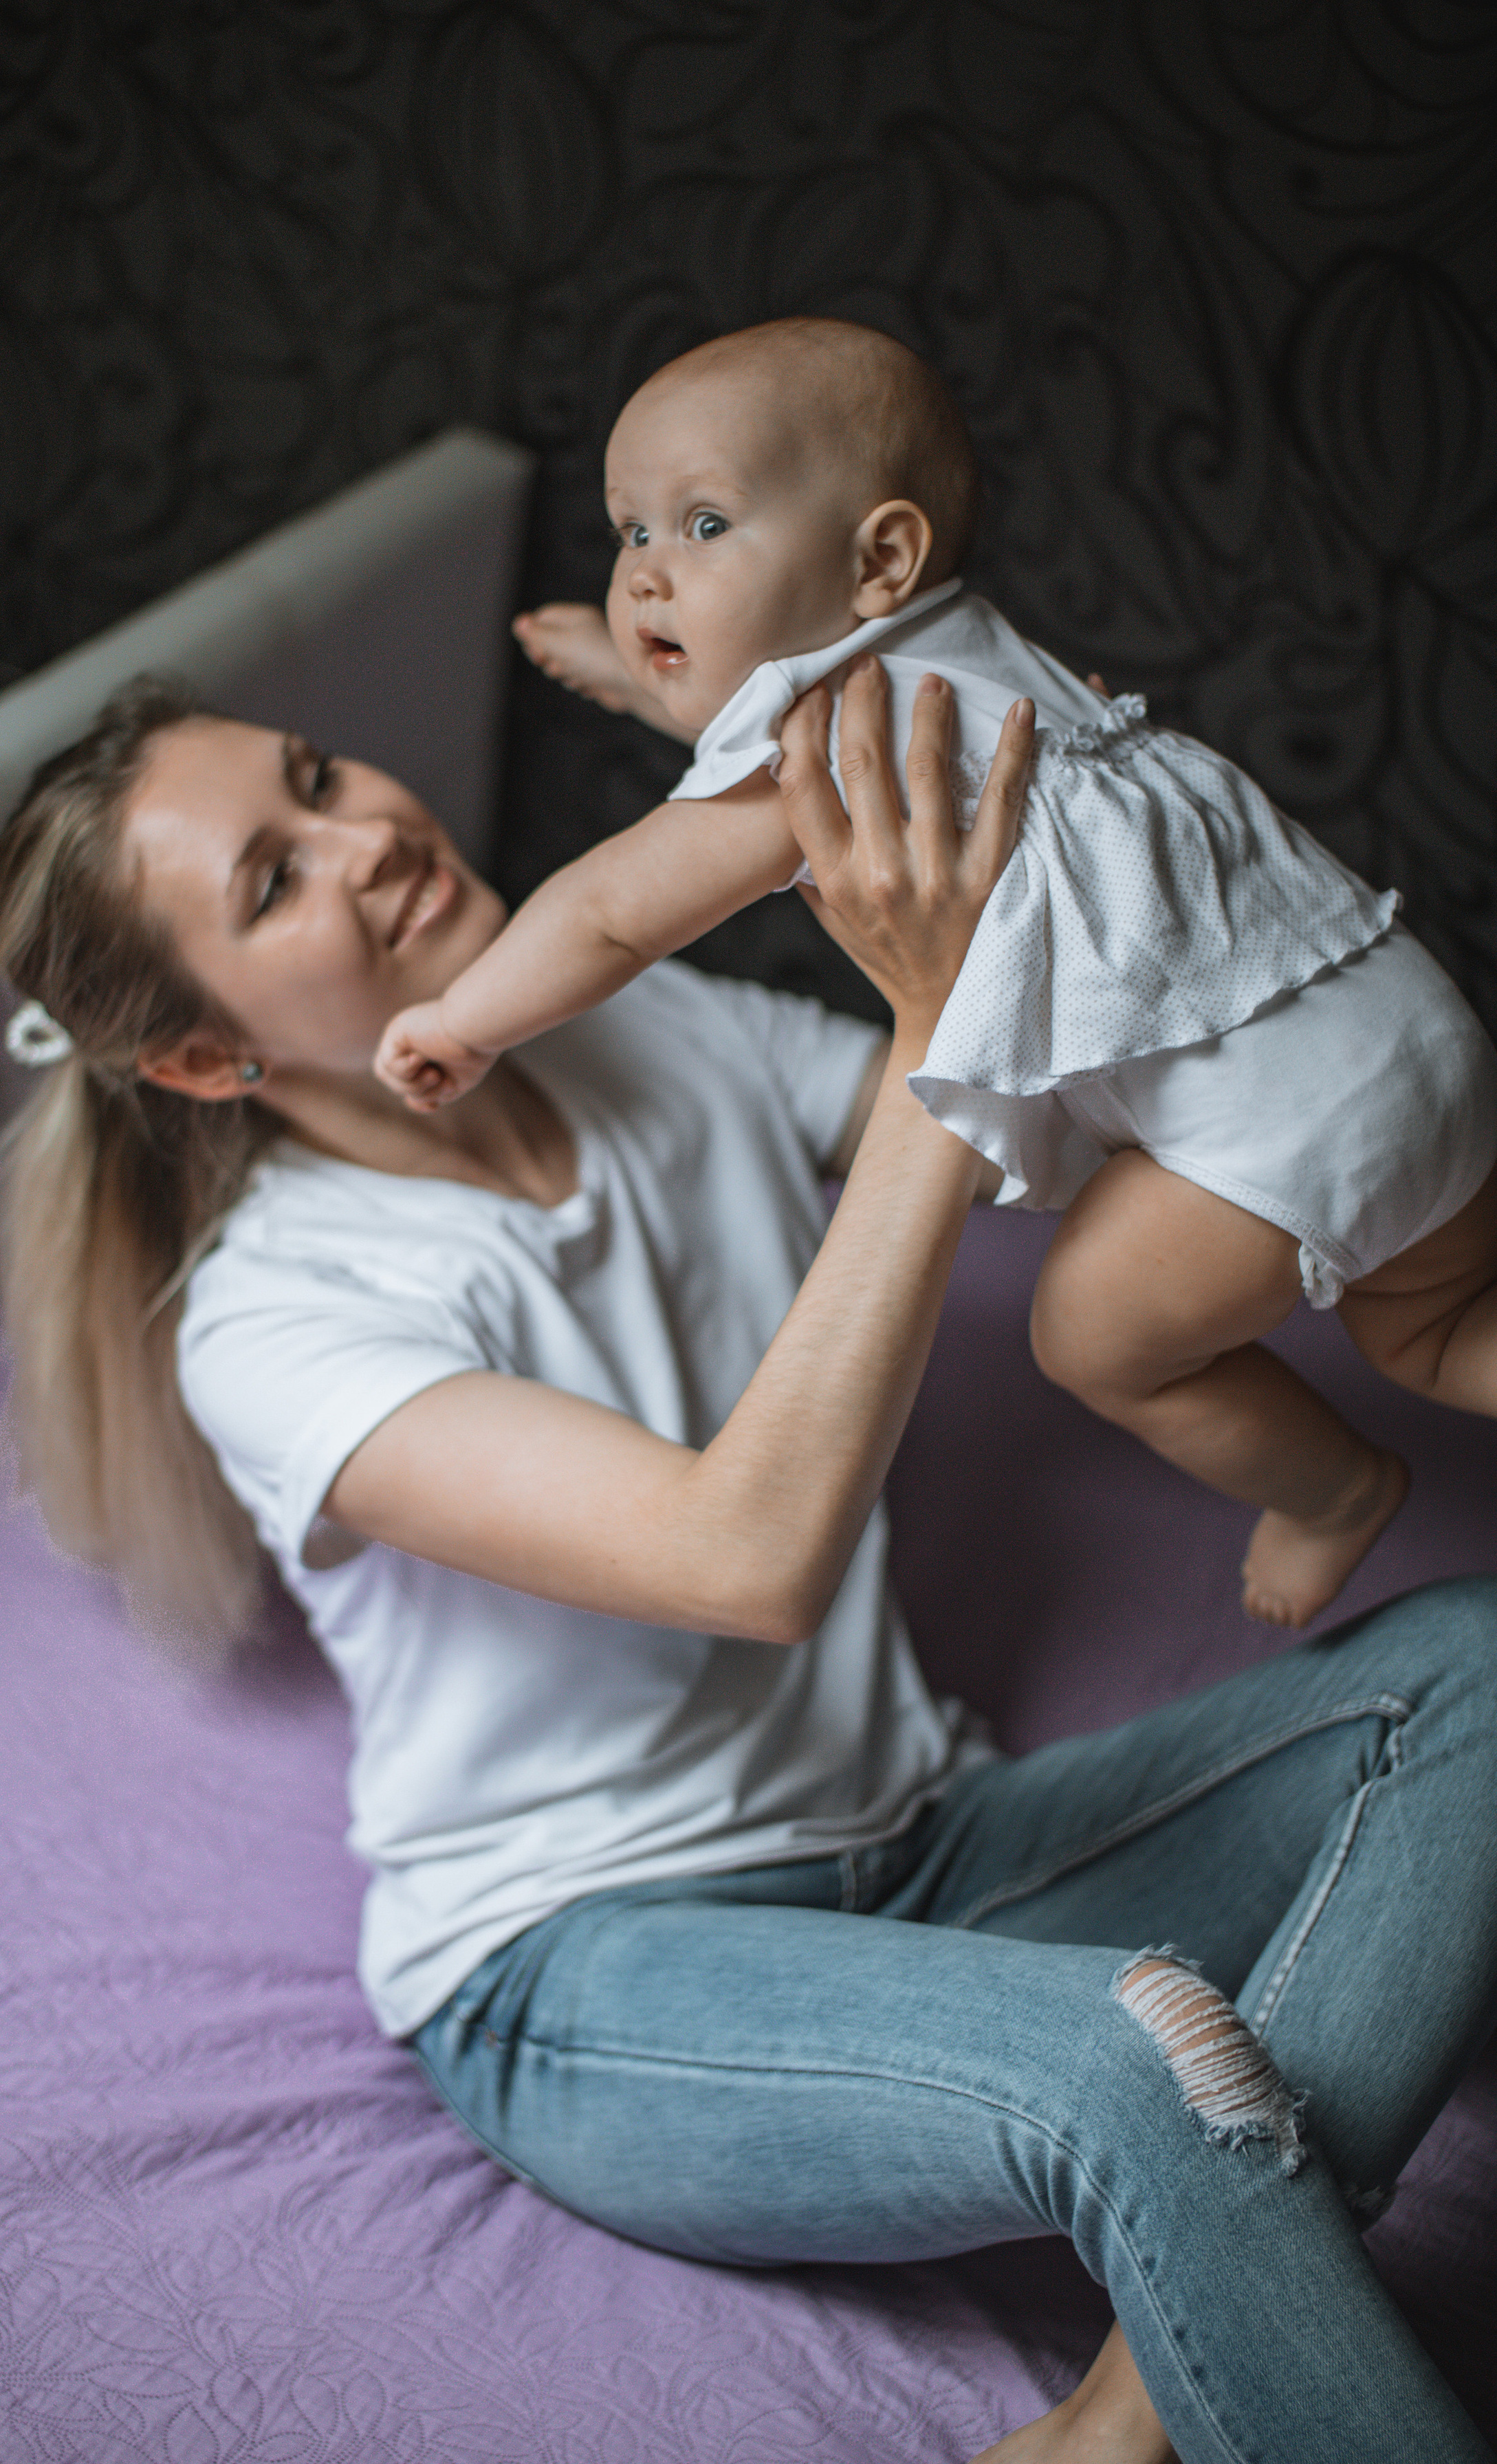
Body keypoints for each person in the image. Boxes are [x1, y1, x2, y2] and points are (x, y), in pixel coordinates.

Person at [0, 657, 1497, 2464]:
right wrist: (954, 1005)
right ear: (207, 1061)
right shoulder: (278, 1322)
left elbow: (999, 1129)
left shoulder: (632, 1027)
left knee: (1476, 1675)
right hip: (588, 1960)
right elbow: (746, 1556)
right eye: (275, 878)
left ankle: (1117, 2438)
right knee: (1139, 2060)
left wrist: (1073, 852)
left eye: (319, 775)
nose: (366, 836)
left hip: (920, 1841)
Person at [374, 318, 1497, 1634]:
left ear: (882, 558)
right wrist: (641, 674)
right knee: (1435, 1321)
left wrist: (467, 1016)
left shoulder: (824, 749)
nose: (647, 580)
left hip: (1280, 1137)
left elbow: (615, 913)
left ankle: (1336, 1489)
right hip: (1406, 1018)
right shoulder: (973, 656)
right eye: (629, 535)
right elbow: (754, 696)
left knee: (1087, 1337)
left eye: (702, 526)